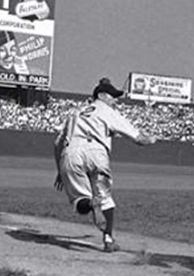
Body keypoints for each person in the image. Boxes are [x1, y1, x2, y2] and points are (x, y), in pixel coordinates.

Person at [54, 78, 155, 252]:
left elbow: (58, 144)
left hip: (71, 153)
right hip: (97, 152)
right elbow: (139, 139)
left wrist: (60, 170)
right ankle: (108, 240)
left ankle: (92, 204)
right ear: (100, 95)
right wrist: (152, 139)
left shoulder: (75, 112)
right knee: (106, 199)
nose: (116, 100)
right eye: (112, 96)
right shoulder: (107, 111)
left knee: (80, 201)